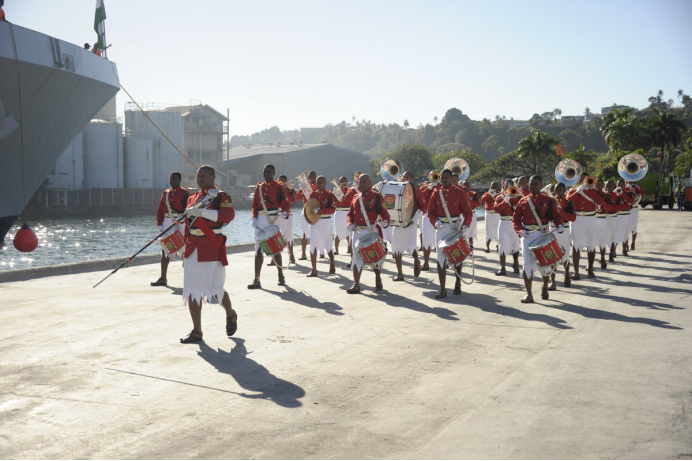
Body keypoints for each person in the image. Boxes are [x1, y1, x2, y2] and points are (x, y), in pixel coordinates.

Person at [180, 166, 237, 344]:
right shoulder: (193, 198)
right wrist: (184, 250)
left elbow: (228, 215)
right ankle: (197, 331)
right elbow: (188, 226)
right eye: (198, 175)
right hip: (193, 247)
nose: (200, 178)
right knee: (191, 288)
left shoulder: (220, 197)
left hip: (211, 245)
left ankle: (230, 312)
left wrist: (201, 212)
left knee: (215, 289)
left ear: (213, 177)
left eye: (204, 175)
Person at [513, 175, 564, 303]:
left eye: (536, 184)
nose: (533, 186)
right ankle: (529, 294)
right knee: (527, 265)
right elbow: (516, 220)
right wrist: (520, 231)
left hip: (543, 234)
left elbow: (556, 215)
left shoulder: (549, 200)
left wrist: (559, 225)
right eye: (531, 184)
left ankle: (545, 287)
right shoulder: (522, 201)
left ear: (541, 185)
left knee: (545, 264)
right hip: (528, 235)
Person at [427, 169, 474, 299]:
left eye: (446, 178)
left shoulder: (459, 192)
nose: (443, 180)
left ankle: (458, 283)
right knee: (440, 257)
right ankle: (442, 289)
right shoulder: (436, 193)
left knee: (457, 256)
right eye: (442, 178)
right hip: (441, 227)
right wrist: (435, 222)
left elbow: (468, 212)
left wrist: (466, 224)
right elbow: (430, 213)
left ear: (451, 178)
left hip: (455, 226)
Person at [248, 165, 290, 290]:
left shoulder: (279, 187)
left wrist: (284, 212)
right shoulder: (259, 187)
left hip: (274, 218)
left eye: (269, 172)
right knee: (258, 249)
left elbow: (285, 203)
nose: (267, 174)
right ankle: (257, 279)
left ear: (273, 173)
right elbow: (255, 205)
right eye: (265, 171)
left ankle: (280, 275)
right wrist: (254, 218)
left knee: (275, 248)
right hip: (260, 219)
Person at [346, 174, 390, 294]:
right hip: (358, 231)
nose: (361, 184)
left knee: (374, 258)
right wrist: (349, 223)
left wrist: (386, 221)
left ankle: (378, 277)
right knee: (356, 258)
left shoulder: (377, 197)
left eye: (364, 182)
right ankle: (356, 284)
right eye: (360, 182)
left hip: (371, 231)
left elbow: (384, 212)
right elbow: (350, 214)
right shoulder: (355, 197)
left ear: (370, 183)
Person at [151, 172, 190, 287]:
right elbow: (160, 210)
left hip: (181, 222)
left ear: (179, 180)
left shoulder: (185, 193)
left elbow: (188, 210)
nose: (172, 181)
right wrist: (159, 224)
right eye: (171, 179)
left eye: (174, 179)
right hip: (168, 222)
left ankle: (188, 279)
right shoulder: (166, 193)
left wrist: (184, 222)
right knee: (165, 249)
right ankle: (163, 278)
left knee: (185, 250)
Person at [567, 175, 604, 279]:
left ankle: (590, 269)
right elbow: (569, 200)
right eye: (583, 179)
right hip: (577, 219)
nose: (586, 181)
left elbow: (600, 202)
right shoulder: (574, 190)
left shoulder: (594, 191)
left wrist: (591, 190)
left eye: (588, 179)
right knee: (575, 245)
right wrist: (578, 191)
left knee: (591, 244)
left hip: (590, 218)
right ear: (580, 180)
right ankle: (576, 272)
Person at [391, 171, 423, 281]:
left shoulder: (417, 191)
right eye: (404, 177)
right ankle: (400, 273)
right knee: (396, 247)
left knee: (411, 244)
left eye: (408, 177)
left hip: (411, 222)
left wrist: (414, 219)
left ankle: (416, 261)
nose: (406, 179)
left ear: (412, 180)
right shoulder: (397, 190)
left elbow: (423, 207)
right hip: (398, 221)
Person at [307, 176, 337, 277]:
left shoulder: (329, 194)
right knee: (313, 245)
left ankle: (332, 263)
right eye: (317, 182)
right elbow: (309, 207)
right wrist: (310, 213)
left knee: (328, 245)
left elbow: (333, 210)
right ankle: (314, 270)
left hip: (326, 221)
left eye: (320, 182)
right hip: (315, 222)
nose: (318, 184)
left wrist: (320, 211)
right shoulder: (312, 194)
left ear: (325, 183)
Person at [549, 182, 576, 290]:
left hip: (564, 229)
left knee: (564, 253)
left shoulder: (569, 202)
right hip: (552, 228)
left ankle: (567, 275)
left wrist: (560, 211)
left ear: (564, 190)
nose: (557, 192)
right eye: (556, 189)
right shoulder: (550, 201)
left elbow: (572, 218)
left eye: (559, 190)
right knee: (552, 255)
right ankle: (553, 281)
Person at [494, 180, 521, 276]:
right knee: (502, 245)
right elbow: (497, 209)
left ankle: (516, 264)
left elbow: (519, 208)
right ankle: (503, 268)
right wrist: (506, 200)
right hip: (504, 223)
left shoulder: (517, 197)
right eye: (507, 186)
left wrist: (514, 198)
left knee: (516, 244)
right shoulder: (499, 197)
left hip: (514, 223)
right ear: (504, 187)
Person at [418, 176, 438, 271]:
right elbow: (420, 197)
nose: (434, 178)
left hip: (440, 216)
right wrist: (429, 189)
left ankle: (444, 262)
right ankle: (426, 263)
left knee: (442, 239)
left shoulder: (442, 186)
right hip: (427, 215)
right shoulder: (424, 187)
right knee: (426, 240)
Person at [297, 171, 317, 260]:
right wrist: (301, 189)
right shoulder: (304, 186)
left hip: (315, 210)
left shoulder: (318, 186)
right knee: (304, 233)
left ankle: (319, 251)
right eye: (309, 176)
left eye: (312, 176)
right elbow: (297, 198)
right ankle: (303, 254)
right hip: (305, 209)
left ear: (315, 177)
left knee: (316, 231)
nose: (310, 178)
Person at [594, 178, 615, 270]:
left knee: (602, 241)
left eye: (599, 185)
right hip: (592, 218)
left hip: (602, 218)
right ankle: (590, 264)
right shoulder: (591, 194)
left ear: (603, 186)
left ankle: (602, 257)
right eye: (596, 185)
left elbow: (611, 208)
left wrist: (603, 205)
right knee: (591, 241)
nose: (597, 187)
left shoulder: (606, 195)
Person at [279, 175, 298, 264]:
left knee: (289, 235)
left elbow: (292, 200)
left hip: (288, 214)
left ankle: (291, 254)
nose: (282, 183)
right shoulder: (277, 190)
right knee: (278, 236)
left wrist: (285, 190)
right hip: (278, 214)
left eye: (283, 181)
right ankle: (275, 256)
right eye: (280, 181)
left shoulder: (291, 190)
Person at [334, 177, 355, 255]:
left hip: (348, 211)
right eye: (341, 181)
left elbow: (349, 200)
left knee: (348, 231)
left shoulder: (350, 190)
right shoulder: (336, 190)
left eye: (344, 181)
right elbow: (336, 200)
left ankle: (349, 248)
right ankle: (336, 249)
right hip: (339, 211)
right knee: (338, 231)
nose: (343, 183)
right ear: (339, 183)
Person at [615, 179, 635, 256]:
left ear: (624, 186)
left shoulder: (629, 193)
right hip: (617, 215)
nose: (619, 186)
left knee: (625, 233)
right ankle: (613, 251)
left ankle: (624, 250)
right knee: (616, 233)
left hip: (627, 215)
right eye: (618, 185)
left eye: (621, 185)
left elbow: (631, 201)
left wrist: (622, 193)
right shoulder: (614, 193)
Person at [481, 182, 501, 254]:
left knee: (498, 230)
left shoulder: (500, 194)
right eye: (492, 186)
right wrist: (489, 194)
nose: (493, 188)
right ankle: (487, 246)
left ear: (498, 187)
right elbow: (481, 201)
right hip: (489, 214)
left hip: (497, 214)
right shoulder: (487, 193)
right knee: (488, 230)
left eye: (495, 186)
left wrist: (496, 195)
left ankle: (499, 245)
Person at [461, 181, 482, 248]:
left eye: (467, 185)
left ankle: (471, 245)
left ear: (469, 186)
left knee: (472, 231)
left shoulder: (473, 194)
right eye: (464, 185)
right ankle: (463, 246)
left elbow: (479, 203)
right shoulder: (460, 193)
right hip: (463, 214)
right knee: (463, 231)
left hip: (472, 213)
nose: (466, 186)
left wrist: (470, 202)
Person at [627, 181, 646, 251]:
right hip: (626, 209)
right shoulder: (624, 185)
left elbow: (643, 193)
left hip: (634, 208)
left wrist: (634, 188)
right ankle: (626, 244)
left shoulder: (636, 186)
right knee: (626, 228)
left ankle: (633, 243)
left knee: (634, 227)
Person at [605, 181, 620, 262]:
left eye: (609, 186)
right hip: (604, 218)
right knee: (603, 237)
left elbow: (617, 207)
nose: (607, 188)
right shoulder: (603, 195)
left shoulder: (617, 196)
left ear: (613, 187)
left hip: (613, 217)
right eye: (606, 186)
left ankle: (611, 254)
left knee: (612, 237)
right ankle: (603, 256)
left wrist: (609, 207)